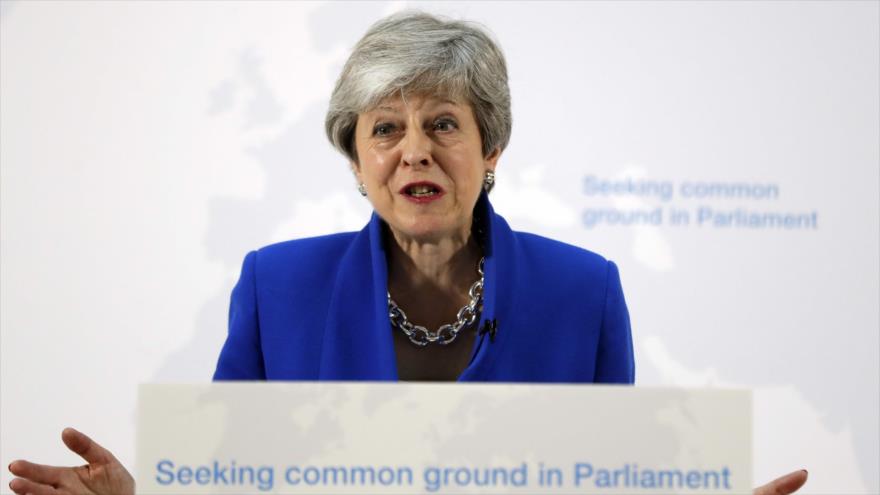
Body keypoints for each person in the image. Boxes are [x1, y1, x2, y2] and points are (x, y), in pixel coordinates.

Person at [7, 12, 807, 495]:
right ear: (357, 163)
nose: (415, 150)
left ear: (491, 148)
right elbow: (229, 487)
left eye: (444, 124)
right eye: (386, 128)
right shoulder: (275, 286)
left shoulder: (585, 291)